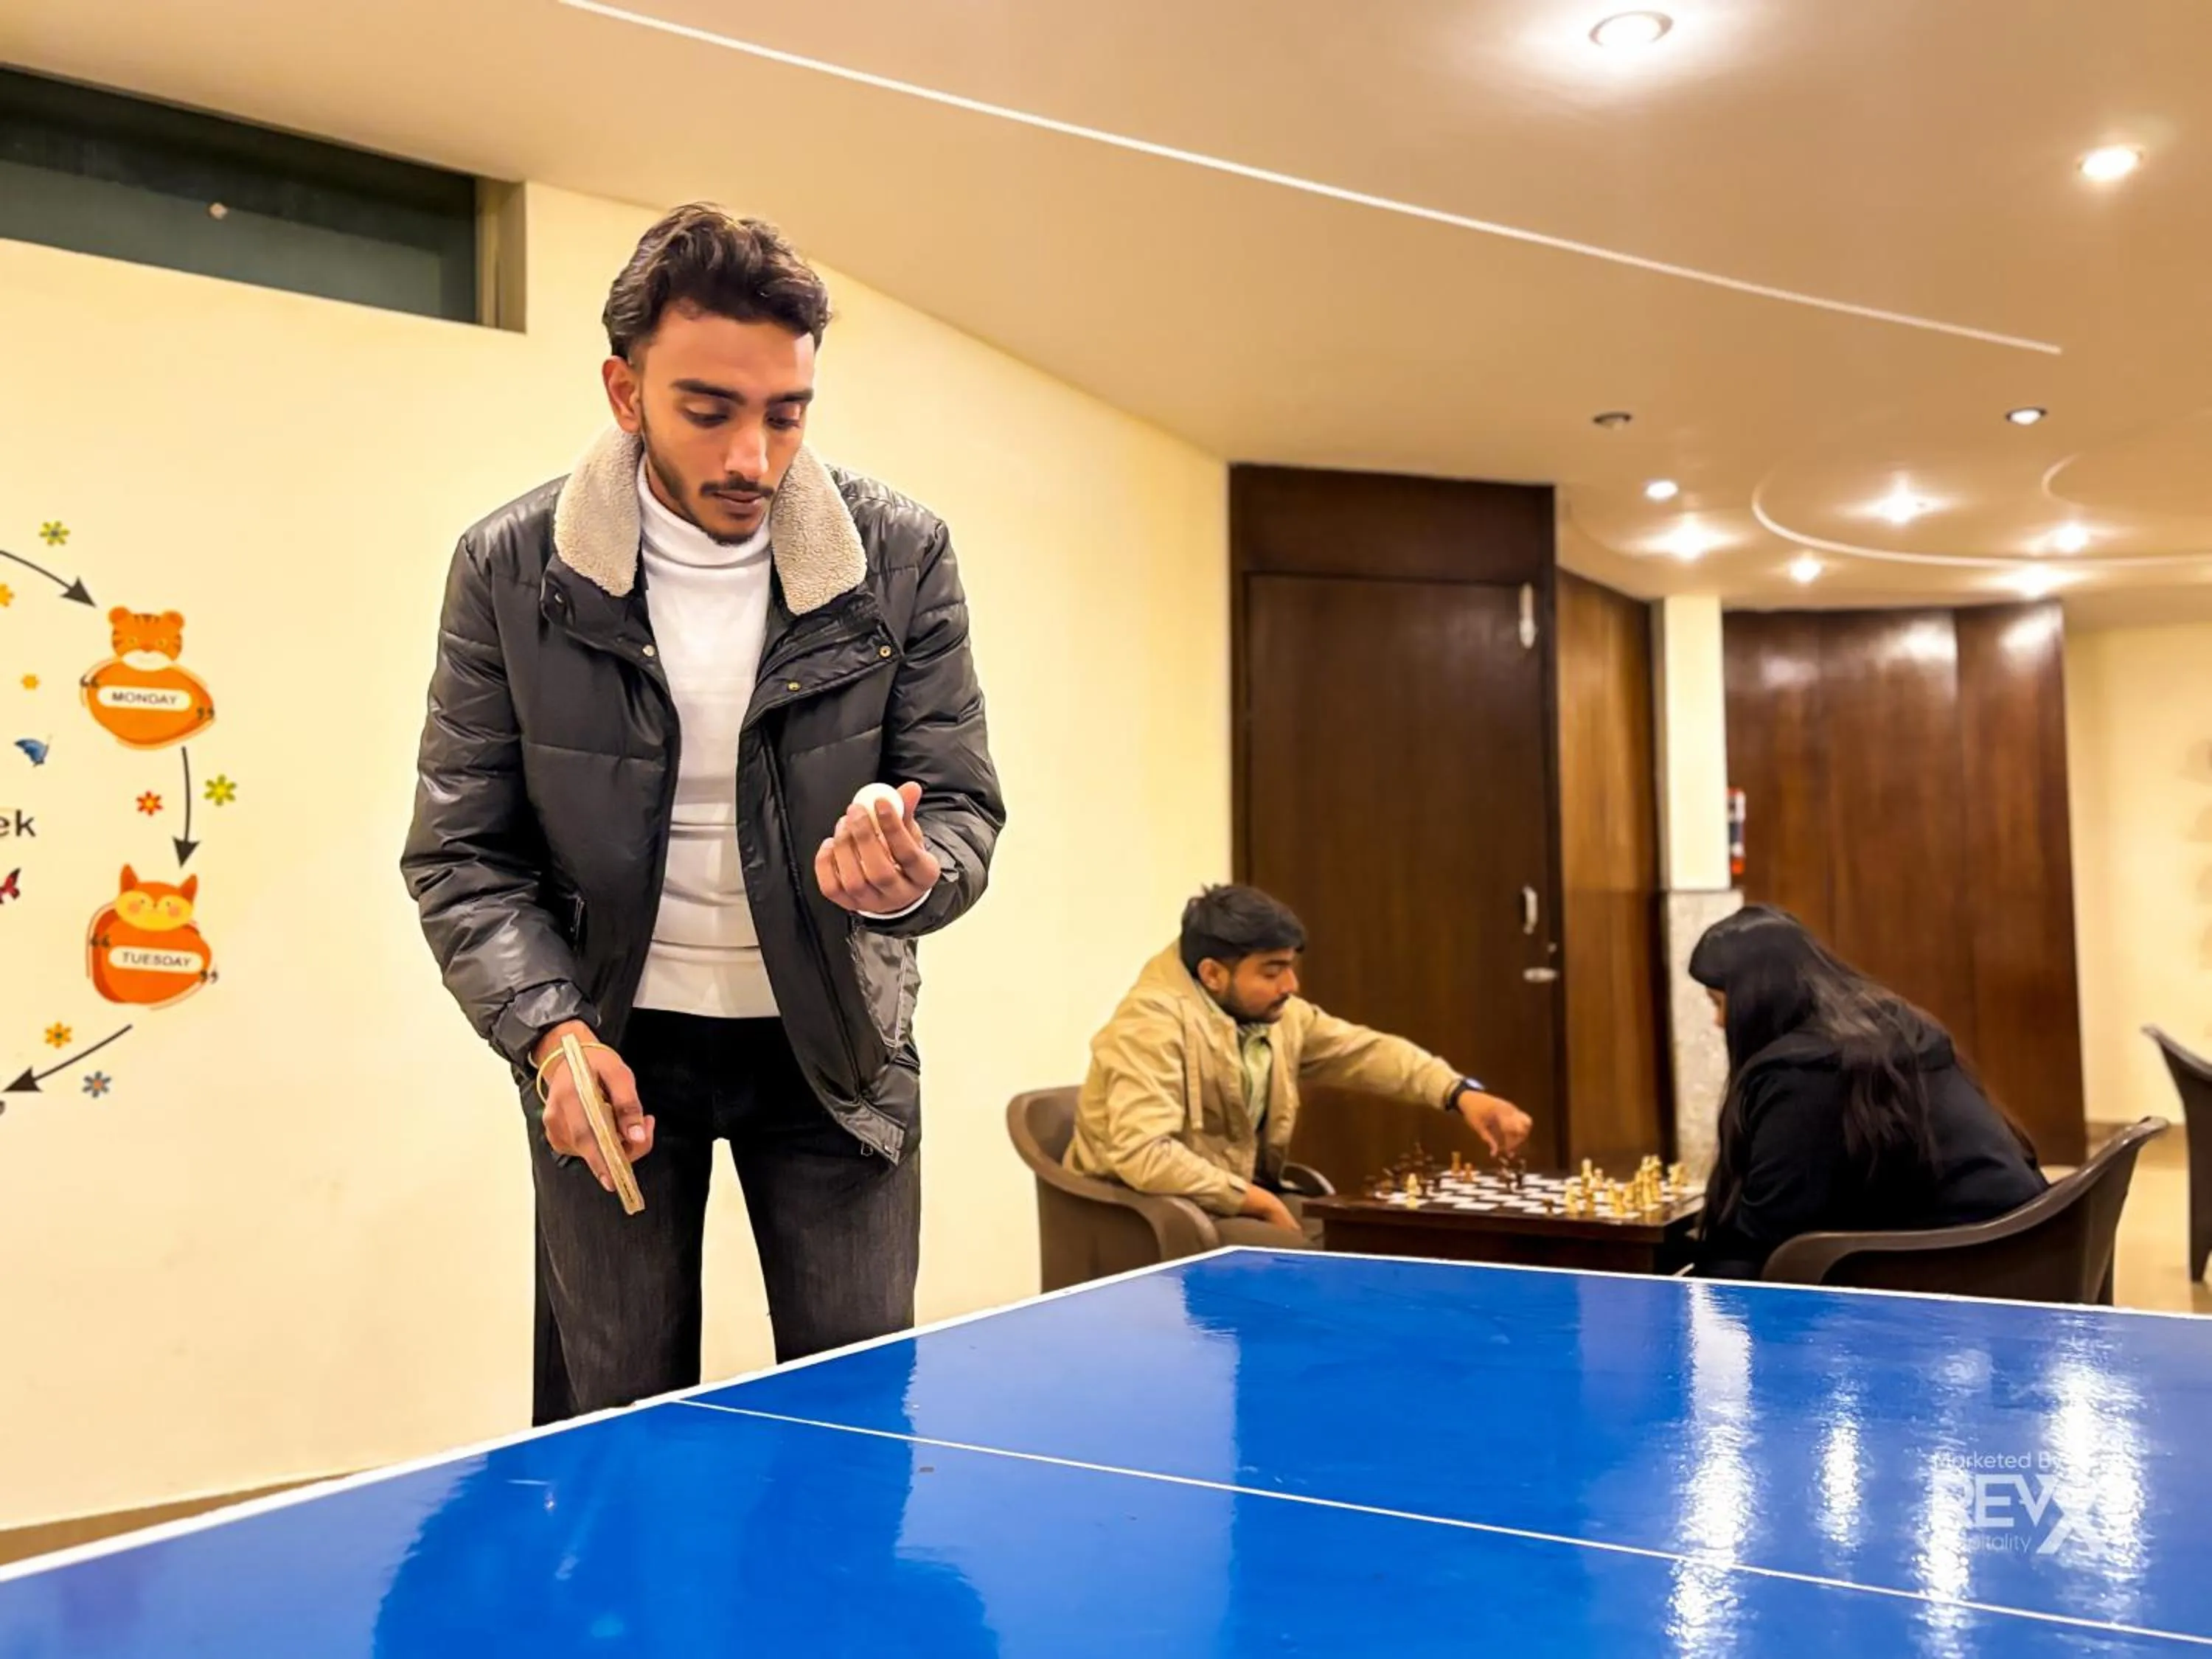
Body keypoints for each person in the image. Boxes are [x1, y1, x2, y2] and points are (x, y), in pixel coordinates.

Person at [401, 204, 1005, 1420]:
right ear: (626, 394)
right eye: (710, 410)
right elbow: (464, 853)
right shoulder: (509, 569)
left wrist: (915, 880)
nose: (754, 458)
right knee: (608, 1435)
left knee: (853, 1431)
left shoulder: (905, 557)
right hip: (611, 1045)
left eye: (787, 414)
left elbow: (964, 812)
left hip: (835, 1052)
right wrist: (548, 1035)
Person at [1065, 885, 1531, 1246]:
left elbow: (1366, 1053)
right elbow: (1142, 1154)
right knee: (1318, 1267)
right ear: (1212, 974)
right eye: (1271, 971)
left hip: (1232, 1200)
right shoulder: (1149, 1024)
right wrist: (1260, 1202)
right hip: (1154, 1215)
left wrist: (1461, 1093)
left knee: (1376, 1244)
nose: (1290, 985)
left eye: (1290, 967)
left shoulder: (1277, 1016)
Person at [1686, 905, 2045, 1281]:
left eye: (1719, 1003)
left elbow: (1764, 1234)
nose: (1718, 1021)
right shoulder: (1886, 1029)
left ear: (1757, 998)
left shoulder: (1805, 1076)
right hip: (2021, 1246)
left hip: (1962, 1270)